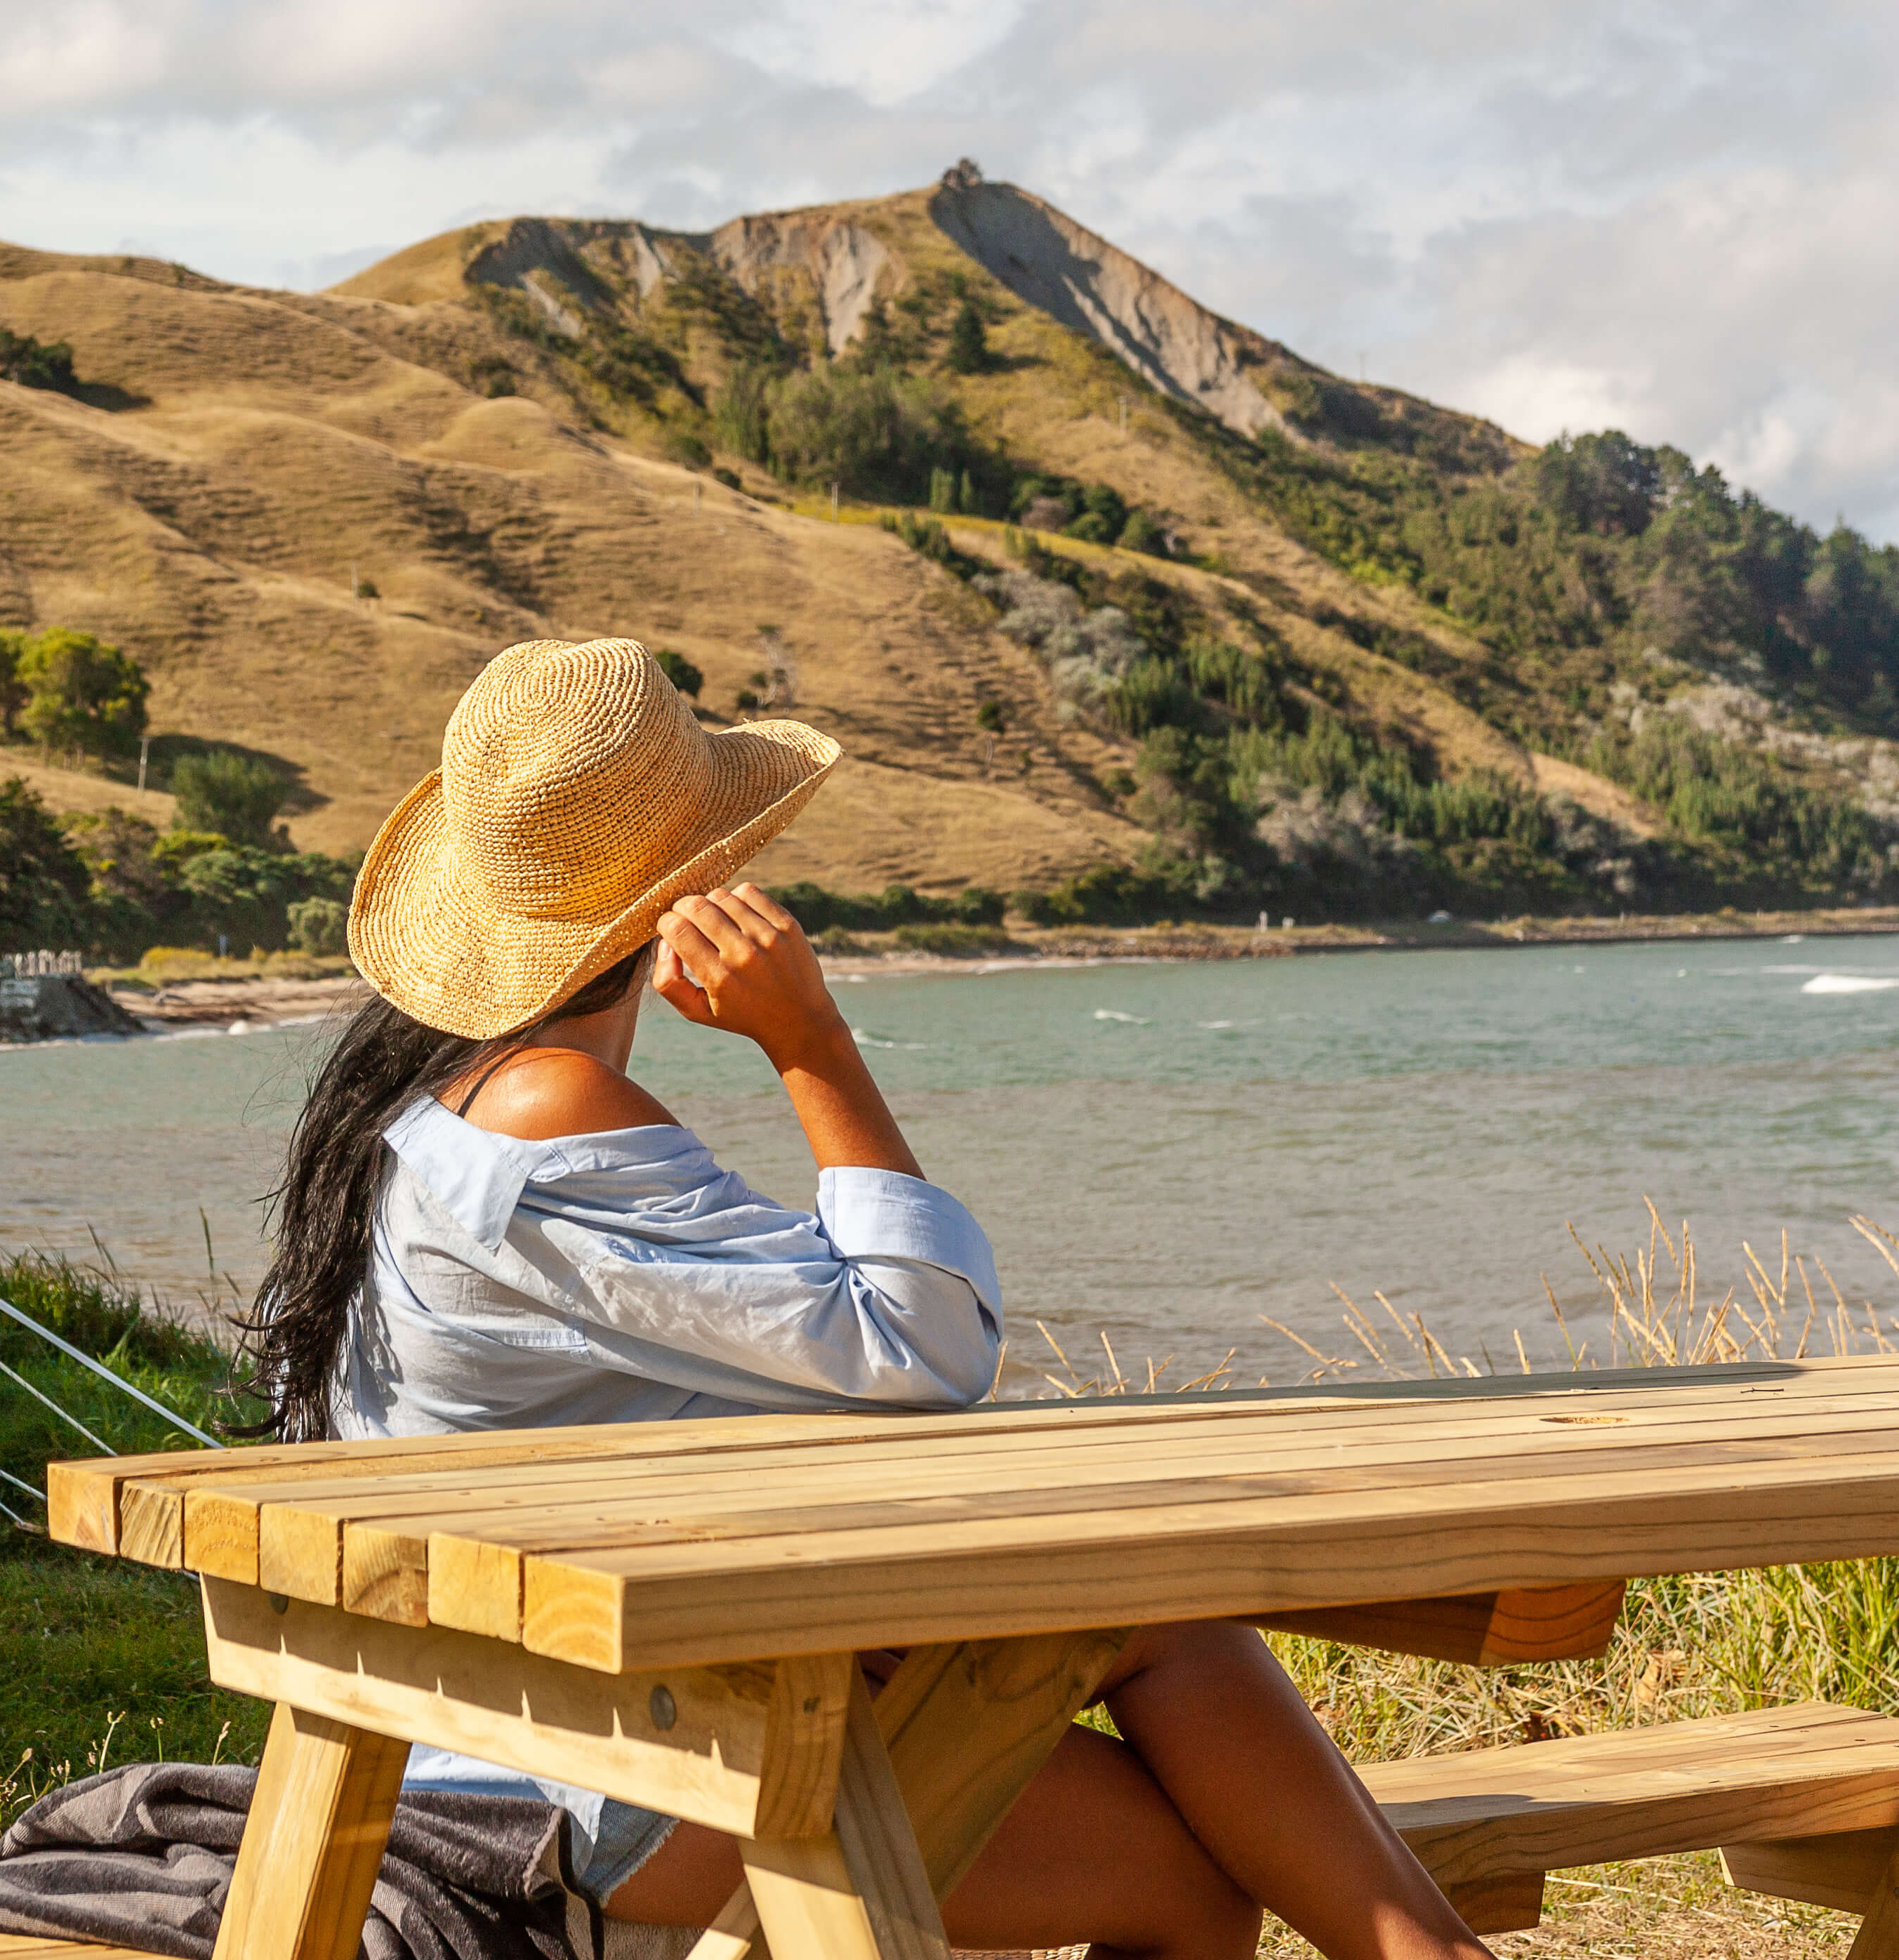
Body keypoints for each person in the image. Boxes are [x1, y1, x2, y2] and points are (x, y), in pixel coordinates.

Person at [245, 638, 1492, 1960]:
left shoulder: (444, 1109)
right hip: (587, 1763)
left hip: (605, 1684)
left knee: (1162, 1618)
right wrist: (809, 1041)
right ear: (698, 884)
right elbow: (924, 1338)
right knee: (1187, 1876)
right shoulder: (549, 1111)